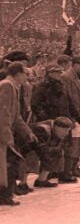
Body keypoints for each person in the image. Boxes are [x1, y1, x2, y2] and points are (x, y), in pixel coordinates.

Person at [0, 62, 36, 206]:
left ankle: (5, 195)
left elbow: (16, 116)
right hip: (2, 133)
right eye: (25, 74)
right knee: (7, 165)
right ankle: (4, 196)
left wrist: (27, 131)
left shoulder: (14, 87)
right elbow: (3, 114)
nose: (27, 77)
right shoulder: (7, 86)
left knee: (7, 165)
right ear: (18, 73)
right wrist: (7, 136)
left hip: (5, 132)